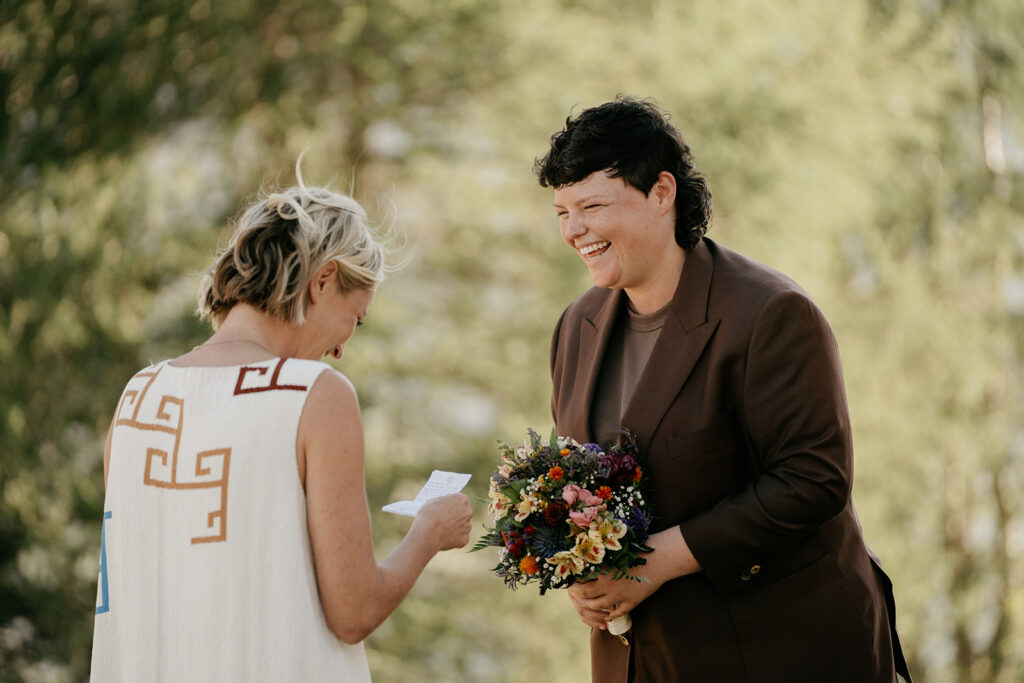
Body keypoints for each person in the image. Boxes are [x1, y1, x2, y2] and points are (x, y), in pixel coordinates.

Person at [535, 97, 911, 682]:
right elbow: (576, 482)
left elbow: (812, 481)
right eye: (562, 212)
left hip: (778, 651)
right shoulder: (575, 326)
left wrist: (656, 562)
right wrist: (580, 572)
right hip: (638, 659)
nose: (573, 230)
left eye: (592, 206)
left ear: (662, 193)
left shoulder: (770, 313)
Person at [89, 178, 472, 681]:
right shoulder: (314, 395)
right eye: (355, 318)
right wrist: (428, 532)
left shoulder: (139, 395)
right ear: (323, 280)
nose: (341, 349)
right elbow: (354, 612)